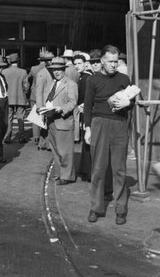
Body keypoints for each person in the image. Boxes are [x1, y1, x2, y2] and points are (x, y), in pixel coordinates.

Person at [84, 45, 132, 225]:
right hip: (99, 124)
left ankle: (120, 209)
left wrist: (129, 102)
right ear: (102, 61)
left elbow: (132, 102)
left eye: (116, 61)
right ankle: (96, 208)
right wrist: (88, 128)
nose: (114, 65)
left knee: (119, 169)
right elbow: (87, 106)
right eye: (110, 61)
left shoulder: (124, 78)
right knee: (98, 168)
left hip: (119, 124)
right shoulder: (93, 80)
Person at [41, 57, 78, 185]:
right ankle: (58, 173)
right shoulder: (52, 83)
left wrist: (61, 109)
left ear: (63, 70)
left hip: (63, 120)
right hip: (51, 120)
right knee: (55, 149)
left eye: (59, 70)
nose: (56, 72)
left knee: (65, 151)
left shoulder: (70, 84)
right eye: (54, 70)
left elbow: (72, 102)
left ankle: (67, 176)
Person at [2, 53, 29, 144]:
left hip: (8, 98)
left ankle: (7, 137)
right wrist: (24, 93)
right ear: (18, 61)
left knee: (8, 118)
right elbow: (26, 86)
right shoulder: (23, 72)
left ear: (10, 61)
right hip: (20, 98)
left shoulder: (4, 72)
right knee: (20, 117)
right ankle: (21, 137)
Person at [74, 54, 93, 181]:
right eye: (75, 64)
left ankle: (88, 170)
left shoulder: (87, 77)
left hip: (86, 111)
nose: (77, 66)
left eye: (79, 63)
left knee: (88, 140)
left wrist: (82, 105)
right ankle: (85, 169)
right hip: (82, 111)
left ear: (85, 63)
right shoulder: (82, 77)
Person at [29, 51, 53, 147]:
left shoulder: (34, 69)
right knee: (44, 119)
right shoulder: (44, 71)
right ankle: (43, 141)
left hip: (36, 96)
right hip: (43, 97)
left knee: (37, 118)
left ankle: (36, 137)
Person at [36, 51, 56, 151]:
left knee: (49, 123)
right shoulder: (42, 73)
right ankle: (43, 143)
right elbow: (39, 90)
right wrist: (39, 106)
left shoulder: (54, 71)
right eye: (48, 61)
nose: (50, 62)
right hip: (44, 102)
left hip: (52, 101)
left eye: (51, 60)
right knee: (44, 124)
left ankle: (46, 143)